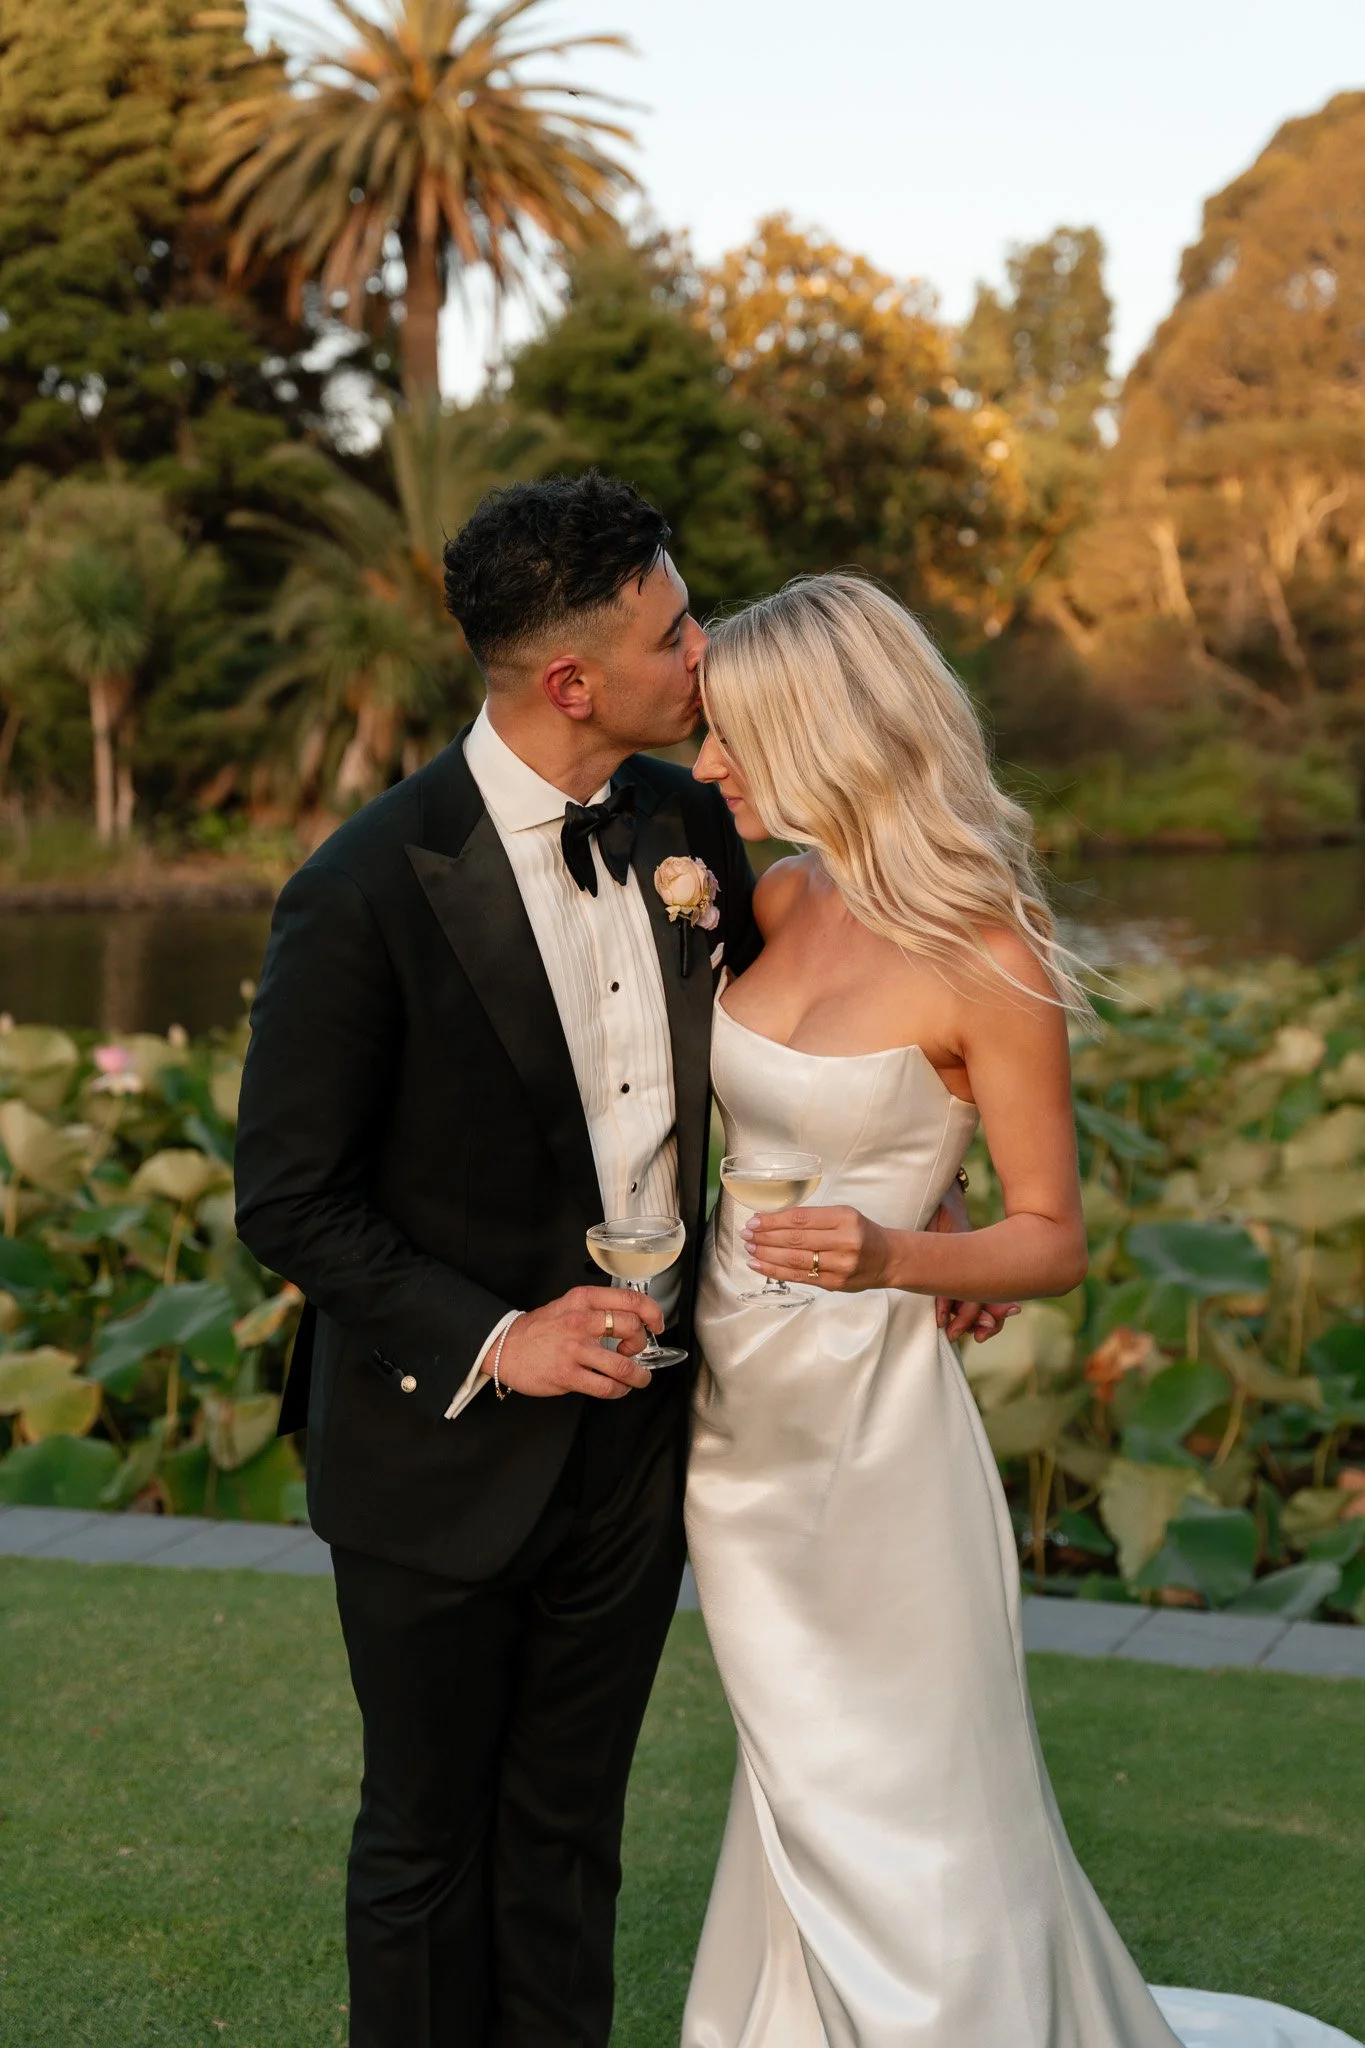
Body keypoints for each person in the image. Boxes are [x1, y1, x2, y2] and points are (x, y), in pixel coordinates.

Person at [233, 473, 1009, 2048]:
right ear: (573, 680)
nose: (704, 651)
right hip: (434, 1448)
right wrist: (496, 1335)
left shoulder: (694, 826)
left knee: (567, 1843)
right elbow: (288, 1201)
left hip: (653, 1436)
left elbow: (858, 1036)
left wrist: (940, 1215)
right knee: (426, 1844)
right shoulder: (363, 890)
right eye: (675, 631)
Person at [680, 572, 1359, 2048]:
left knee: (912, 1802)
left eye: (731, 737)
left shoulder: (991, 955)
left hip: (874, 1441)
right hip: (731, 1431)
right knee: (797, 1780)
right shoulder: (777, 897)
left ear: (821, 730)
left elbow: (1051, 1240)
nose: (708, 766)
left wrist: (898, 1252)